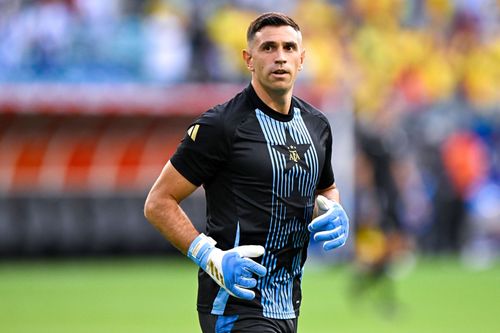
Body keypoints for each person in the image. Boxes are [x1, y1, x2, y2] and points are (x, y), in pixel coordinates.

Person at [144, 12, 349, 333]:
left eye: (289, 47)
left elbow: (325, 189)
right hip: (233, 304)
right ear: (248, 59)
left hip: (287, 302)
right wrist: (210, 257)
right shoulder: (221, 125)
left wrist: (333, 209)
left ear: (302, 58)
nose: (280, 57)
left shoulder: (317, 125)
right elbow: (158, 202)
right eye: (268, 48)